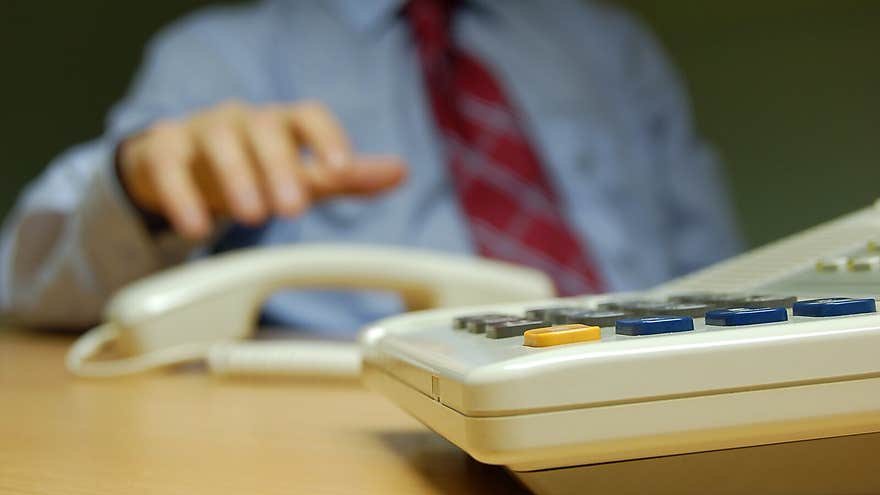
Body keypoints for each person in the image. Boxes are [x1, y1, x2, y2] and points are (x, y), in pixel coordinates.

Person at [0, 0, 742, 336]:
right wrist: (144, 193)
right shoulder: (221, 54)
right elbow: (28, 282)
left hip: (652, 395)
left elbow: (718, 267)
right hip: (358, 429)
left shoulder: (608, 43)